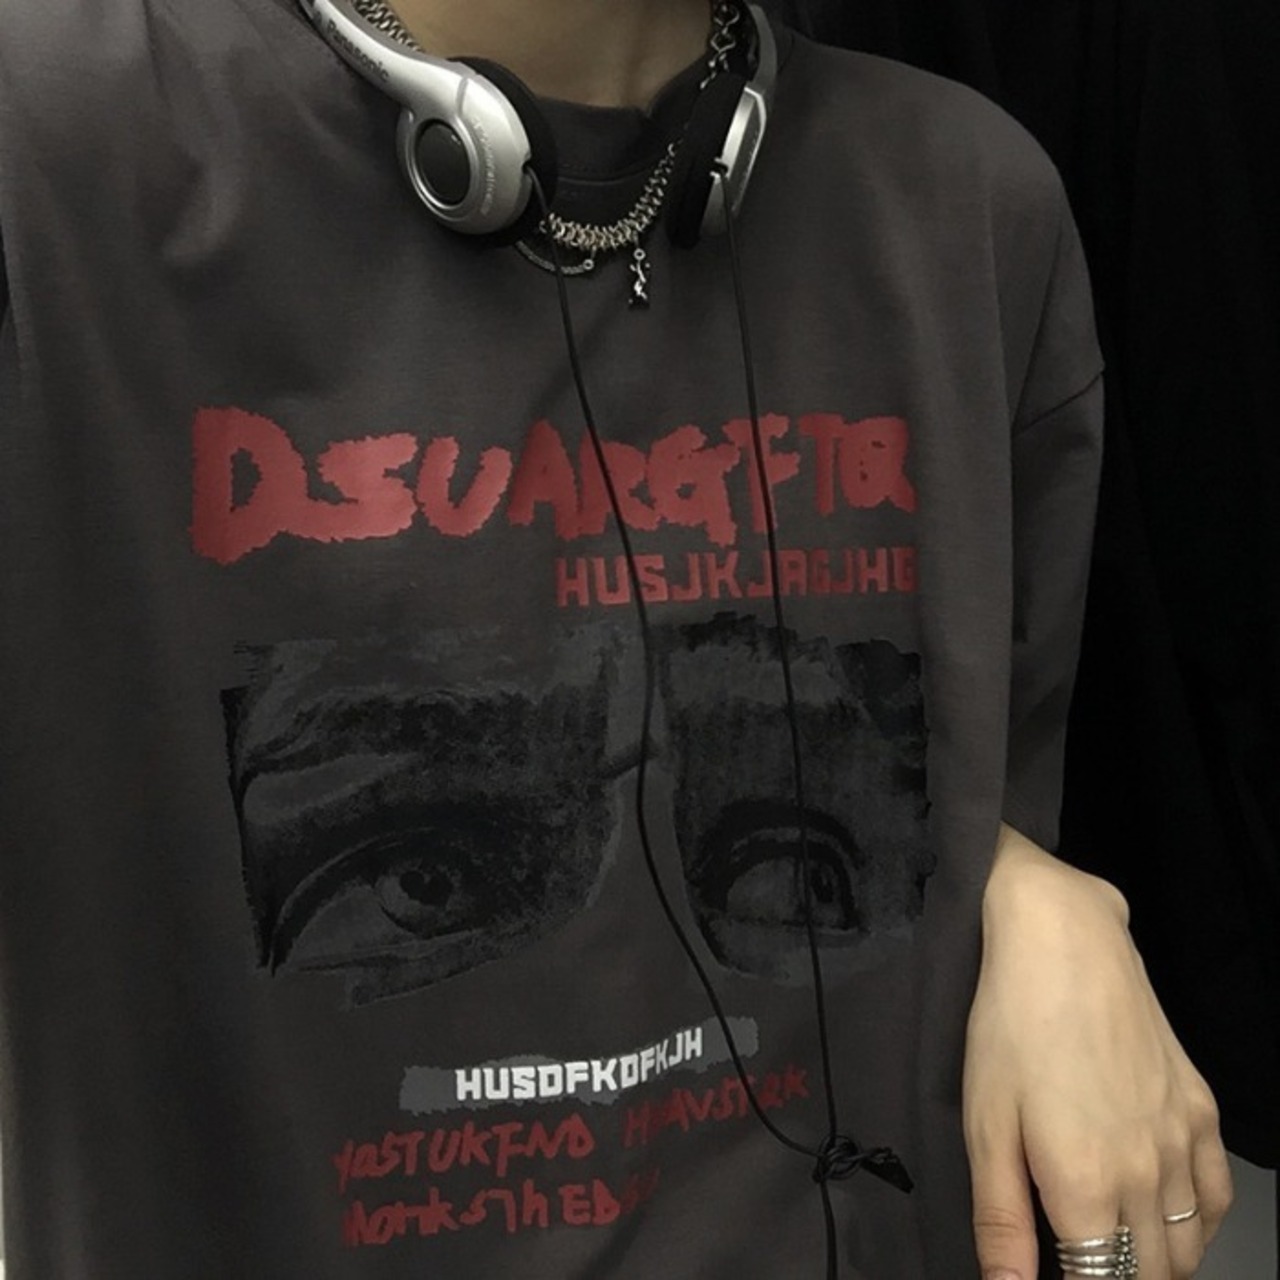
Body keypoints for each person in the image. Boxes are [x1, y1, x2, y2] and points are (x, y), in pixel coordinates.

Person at [0, 1, 1232, 1277]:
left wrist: (1028, 882)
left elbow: (957, 800)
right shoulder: (50, 142)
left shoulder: (965, 207)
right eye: (424, 878)